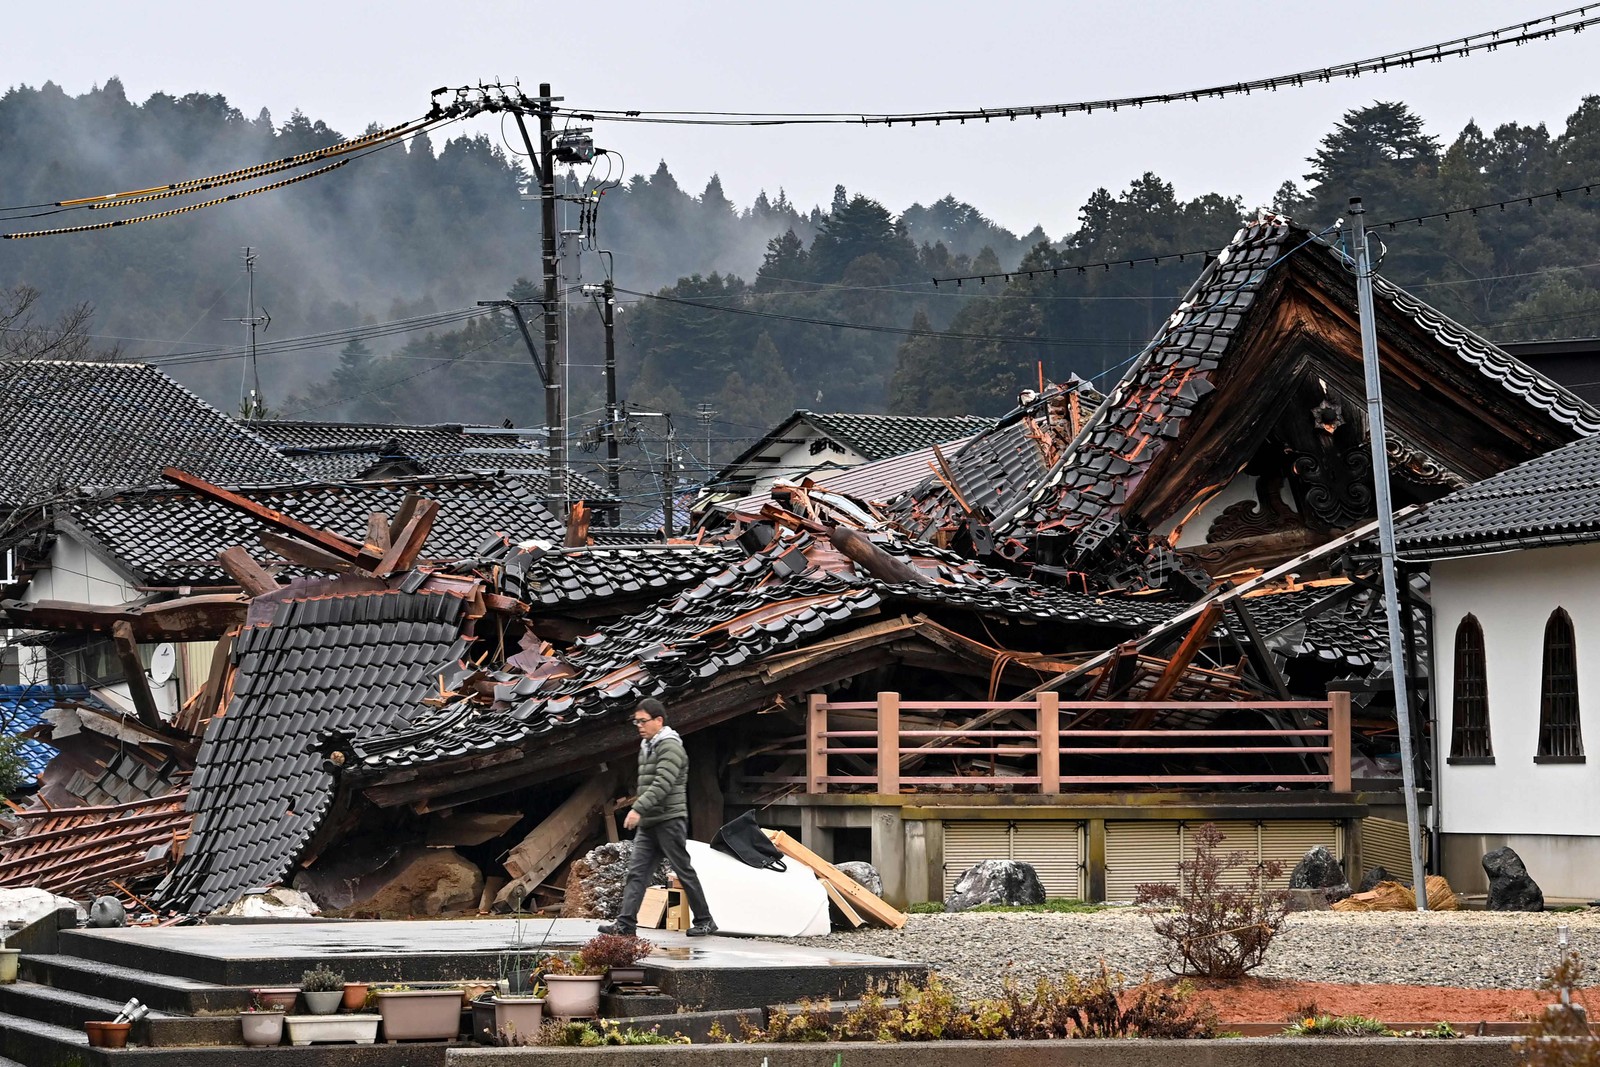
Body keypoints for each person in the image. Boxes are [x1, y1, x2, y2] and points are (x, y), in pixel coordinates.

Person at [598, 698, 718, 937]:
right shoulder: (648, 746)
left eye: (643, 721)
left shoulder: (670, 746)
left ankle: (705, 920)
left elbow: (663, 783)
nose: (639, 726)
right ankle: (625, 924)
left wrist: (638, 808)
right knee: (637, 872)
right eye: (636, 722)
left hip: (670, 820)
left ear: (659, 720)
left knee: (683, 870)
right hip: (650, 823)